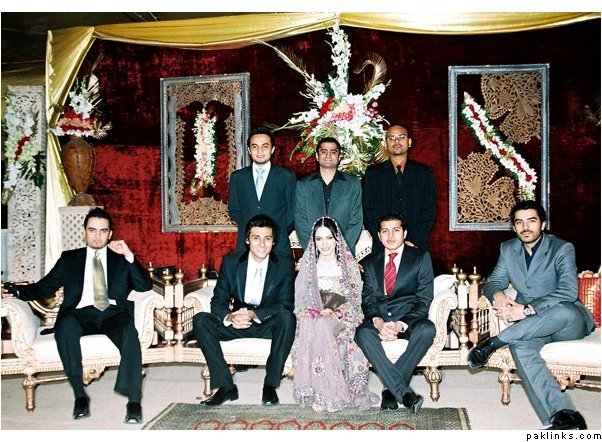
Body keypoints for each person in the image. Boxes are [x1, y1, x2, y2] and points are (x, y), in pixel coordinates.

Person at [1, 207, 152, 423]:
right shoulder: (70, 258)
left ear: (110, 234)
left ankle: (134, 402)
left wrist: (129, 255)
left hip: (112, 313)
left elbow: (144, 286)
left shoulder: (120, 259)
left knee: (129, 331)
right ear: (84, 232)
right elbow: (45, 287)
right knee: (65, 326)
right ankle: (80, 395)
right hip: (79, 313)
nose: (97, 236)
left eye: (103, 231)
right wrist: (16, 291)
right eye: (92, 230)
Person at [466, 200, 595, 430]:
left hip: (567, 322)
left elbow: (568, 291)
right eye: (519, 222)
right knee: (520, 347)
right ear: (514, 227)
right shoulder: (508, 249)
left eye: (531, 221)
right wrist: (499, 296)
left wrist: (526, 309)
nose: (525, 227)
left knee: (563, 310)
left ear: (542, 224)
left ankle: (494, 343)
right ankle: (564, 415)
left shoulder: (562, 248)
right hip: (532, 326)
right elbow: (494, 281)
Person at [193, 214, 296, 406]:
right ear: (247, 240)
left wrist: (254, 314)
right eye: (256, 238)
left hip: (266, 324)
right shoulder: (231, 263)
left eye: (267, 238)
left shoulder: (284, 264)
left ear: (274, 241)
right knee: (201, 319)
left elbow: (286, 303)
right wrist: (230, 316)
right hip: (237, 323)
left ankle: (270, 385)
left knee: (287, 318)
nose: (262, 244)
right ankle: (226, 387)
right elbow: (218, 301)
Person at [292, 216, 379, 411]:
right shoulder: (308, 268)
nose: (324, 244)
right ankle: (316, 391)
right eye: (319, 239)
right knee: (309, 322)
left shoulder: (348, 267)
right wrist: (313, 312)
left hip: (342, 318)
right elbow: (301, 301)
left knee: (324, 323)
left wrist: (336, 313)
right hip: (316, 316)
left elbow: (355, 302)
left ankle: (331, 394)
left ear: (337, 239)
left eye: (329, 238)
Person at [354, 212, 435, 414]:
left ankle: (390, 391)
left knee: (427, 330)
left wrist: (400, 325)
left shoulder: (420, 258)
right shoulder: (370, 262)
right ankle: (404, 393)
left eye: (396, 230)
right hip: (380, 320)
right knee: (362, 333)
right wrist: (379, 323)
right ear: (379, 236)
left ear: (404, 233)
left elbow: (424, 300)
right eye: (385, 231)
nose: (390, 236)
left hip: (409, 320)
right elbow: (368, 300)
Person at [362, 124, 436, 251]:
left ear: (409, 142)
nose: (396, 141)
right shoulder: (372, 174)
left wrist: (413, 240)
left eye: (401, 137)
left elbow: (429, 210)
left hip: (416, 246)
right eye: (391, 138)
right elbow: (367, 211)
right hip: (382, 247)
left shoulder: (423, 173)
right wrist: (385, 240)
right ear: (385, 144)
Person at [229, 127, 296, 255]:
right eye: (255, 147)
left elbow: (293, 212)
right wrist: (251, 230)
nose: (260, 151)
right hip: (247, 246)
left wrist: (275, 232)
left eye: (265, 146)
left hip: (279, 246)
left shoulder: (286, 176)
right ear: (249, 150)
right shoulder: (238, 177)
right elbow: (234, 210)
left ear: (272, 149)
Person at [294, 137, 363, 255]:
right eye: (324, 151)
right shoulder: (303, 185)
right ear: (317, 156)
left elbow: (356, 221)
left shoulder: (352, 183)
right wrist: (314, 250)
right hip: (313, 253)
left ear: (339, 156)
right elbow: (301, 221)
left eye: (333, 152)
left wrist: (340, 249)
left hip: (344, 252)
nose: (328, 155)